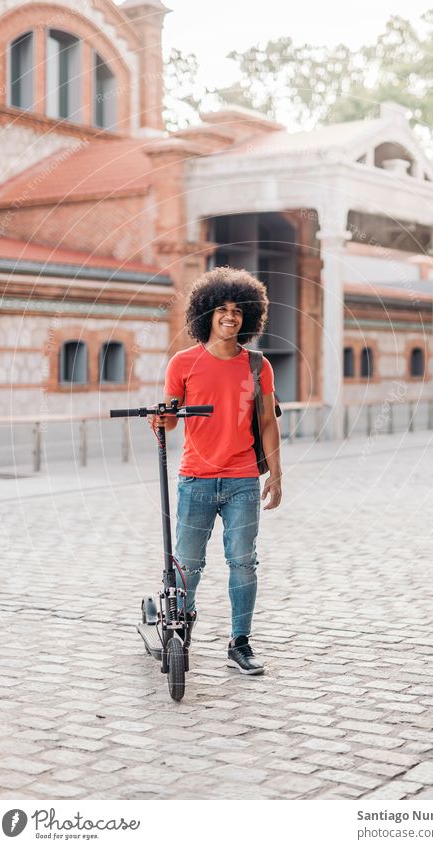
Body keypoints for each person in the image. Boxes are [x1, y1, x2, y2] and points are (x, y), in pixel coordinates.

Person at [148, 266, 282, 675]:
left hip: (243, 478)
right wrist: (161, 417)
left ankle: (240, 643)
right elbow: (170, 420)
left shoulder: (258, 366)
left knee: (243, 561)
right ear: (206, 313)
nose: (230, 316)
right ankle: (178, 632)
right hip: (196, 480)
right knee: (188, 564)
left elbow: (267, 422)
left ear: (248, 317)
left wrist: (276, 474)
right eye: (222, 308)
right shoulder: (183, 363)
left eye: (238, 310)